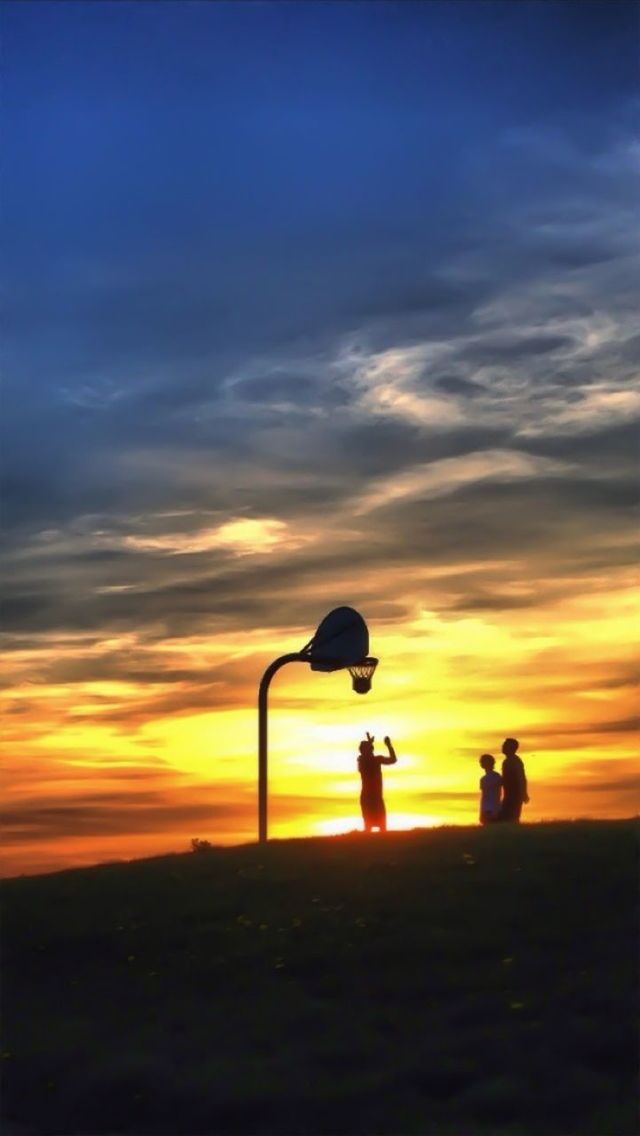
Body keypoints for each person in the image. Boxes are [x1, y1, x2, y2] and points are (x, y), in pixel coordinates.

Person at [357, 732, 397, 833]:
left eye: (371, 748)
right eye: (369, 748)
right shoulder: (363, 761)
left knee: (380, 829)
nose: (371, 750)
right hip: (368, 799)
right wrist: (388, 746)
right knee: (369, 829)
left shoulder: (372, 760)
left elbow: (393, 760)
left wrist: (389, 746)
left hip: (374, 798)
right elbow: (393, 760)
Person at [498, 737, 529, 822]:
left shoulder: (515, 761)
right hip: (509, 794)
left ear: (511, 748)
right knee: (506, 818)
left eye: (505, 745)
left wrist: (523, 793)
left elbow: (521, 777)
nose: (502, 747)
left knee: (511, 818)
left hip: (514, 795)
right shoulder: (507, 761)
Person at [478, 753, 502, 824]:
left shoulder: (493, 777)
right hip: (492, 808)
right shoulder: (495, 777)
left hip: (491, 809)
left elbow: (486, 796)